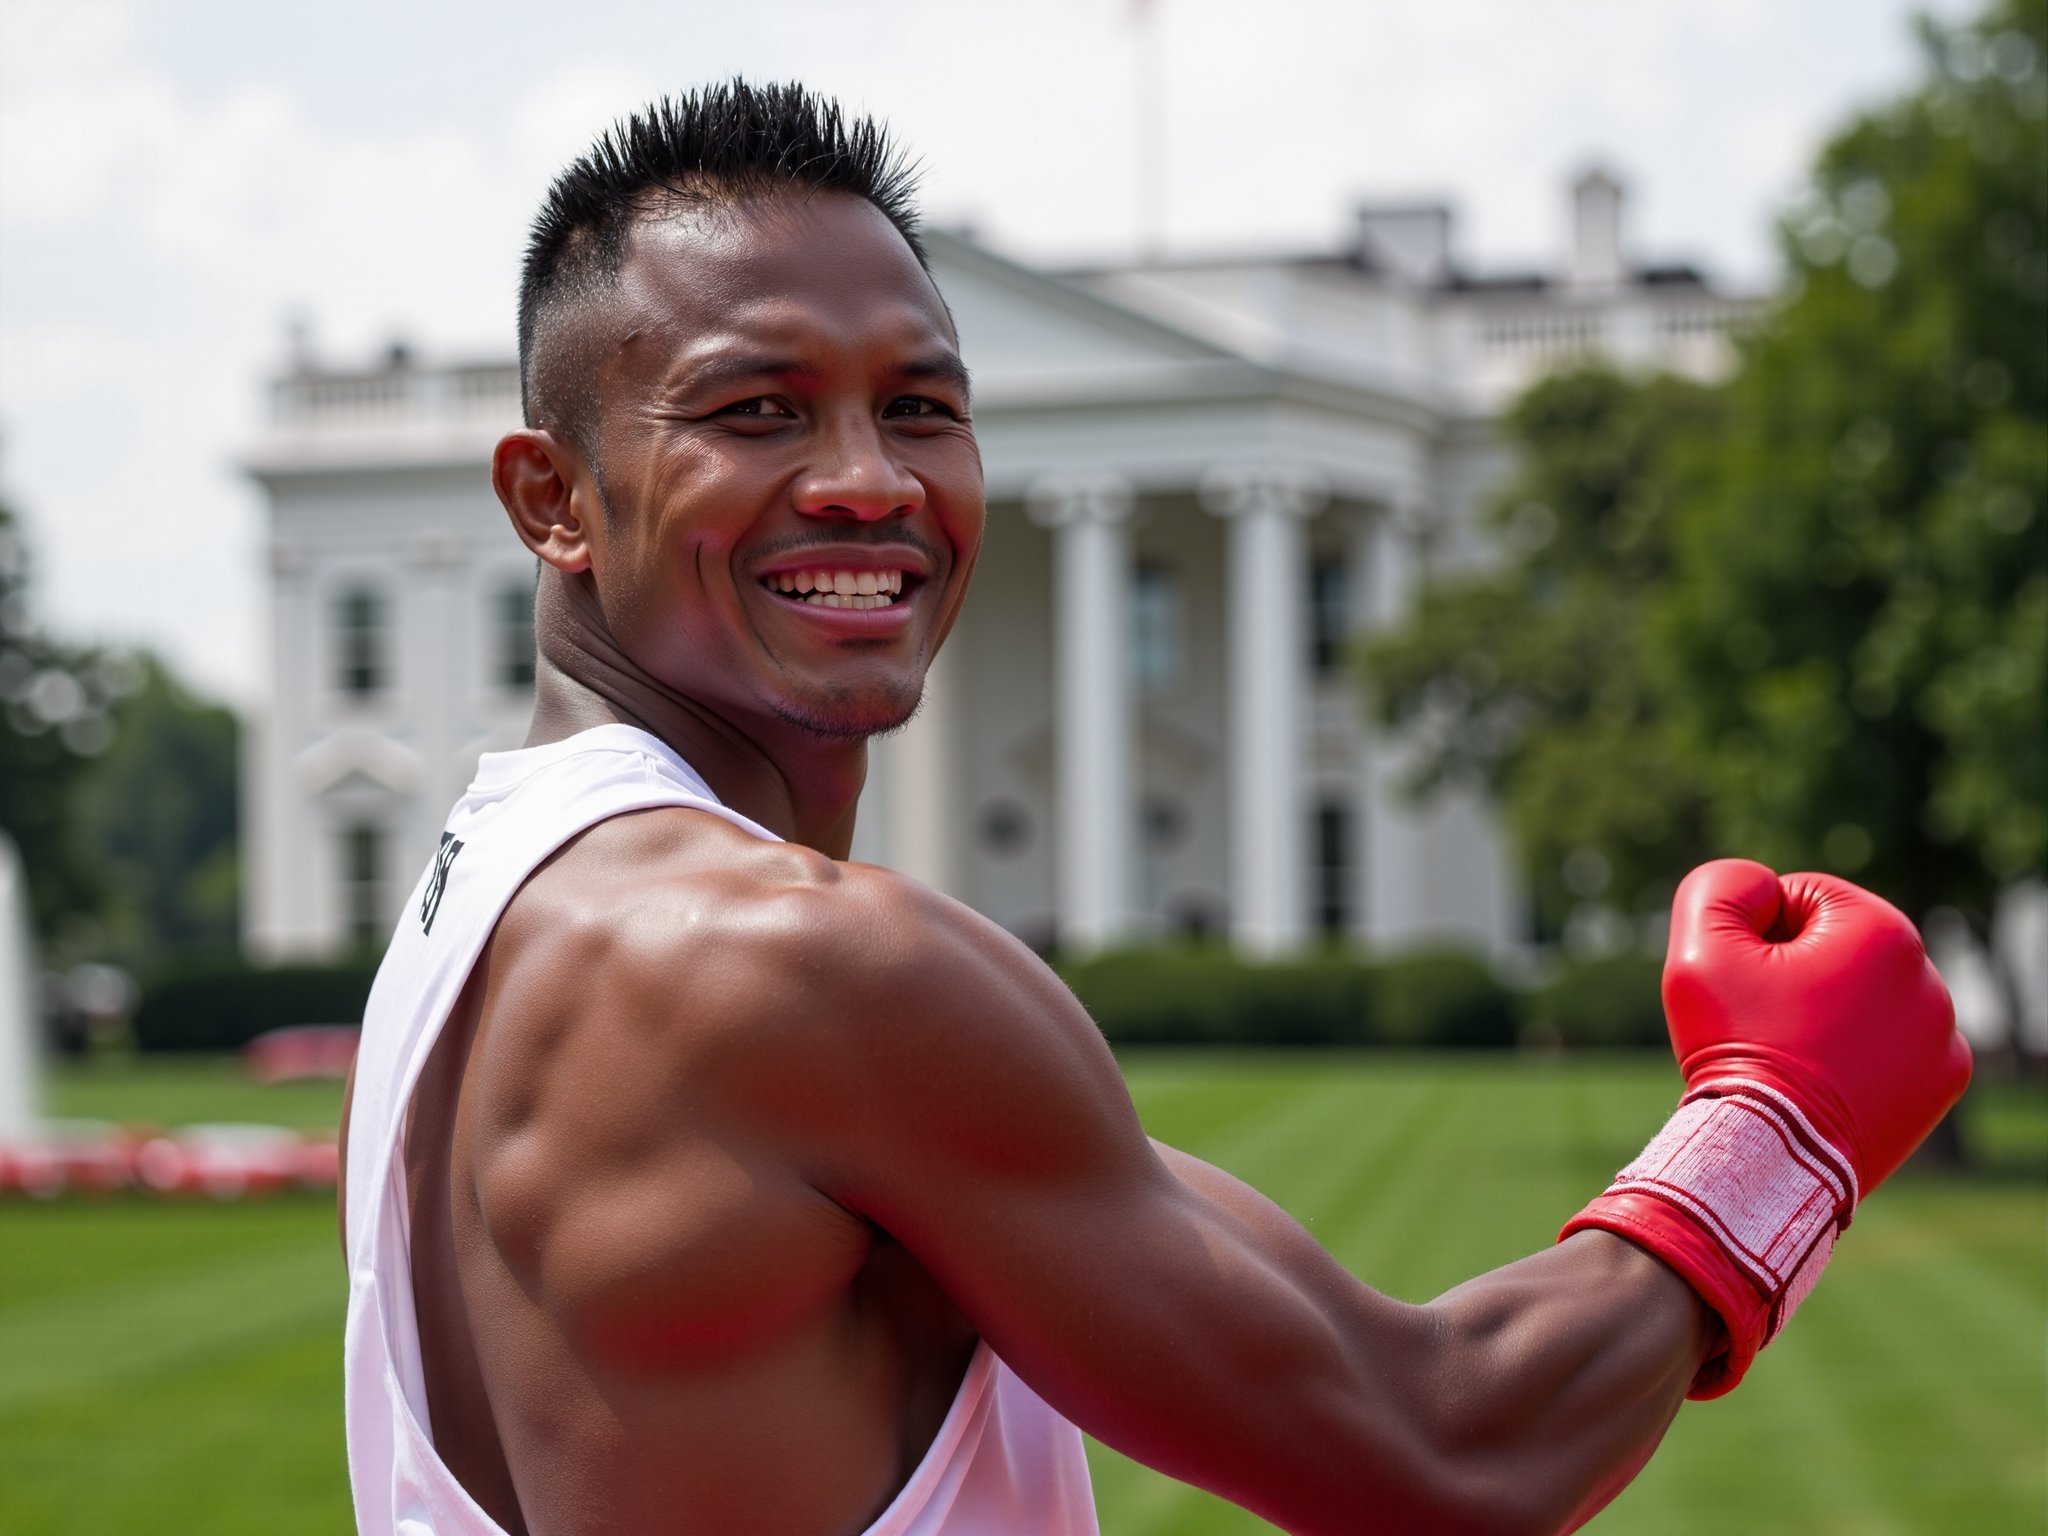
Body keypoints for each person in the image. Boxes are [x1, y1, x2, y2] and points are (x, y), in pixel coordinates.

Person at [338, 81, 1971, 1536]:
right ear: (553, 497)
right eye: (755, 408)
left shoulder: (478, 916)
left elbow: (1265, 1308)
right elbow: (1444, 1452)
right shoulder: (791, 967)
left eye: (922, 405)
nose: (868, 479)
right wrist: (1777, 1134)